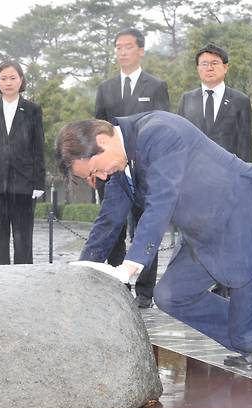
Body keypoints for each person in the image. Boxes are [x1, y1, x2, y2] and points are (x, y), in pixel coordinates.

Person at [56, 111, 252, 368]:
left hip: (251, 220)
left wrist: (129, 268)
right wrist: (84, 273)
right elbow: (108, 221)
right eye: (91, 179)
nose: (97, 180)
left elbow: (160, 204)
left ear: (102, 140)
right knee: (171, 295)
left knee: (250, 332)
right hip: (208, 235)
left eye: (94, 171)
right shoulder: (118, 169)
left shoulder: (159, 131)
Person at [94, 28, 170, 308]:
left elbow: (163, 127)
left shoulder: (156, 86)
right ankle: (119, 285)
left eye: (128, 47)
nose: (122, 52)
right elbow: (98, 130)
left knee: (144, 229)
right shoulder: (106, 88)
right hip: (113, 172)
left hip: (145, 172)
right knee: (113, 231)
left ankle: (145, 292)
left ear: (140, 51)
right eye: (118, 47)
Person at [0, 61, 45, 265]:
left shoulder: (32, 110)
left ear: (21, 80)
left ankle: (24, 284)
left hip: (24, 185)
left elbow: (38, 147)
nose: (8, 82)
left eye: (13, 78)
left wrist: (38, 183)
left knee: (23, 240)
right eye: (3, 78)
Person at [177, 43, 252, 162]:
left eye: (214, 63)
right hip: (193, 172)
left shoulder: (240, 100)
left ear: (225, 67)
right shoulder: (187, 99)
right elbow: (179, 140)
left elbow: (245, 145)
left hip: (227, 172)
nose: (209, 68)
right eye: (204, 64)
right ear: (198, 68)